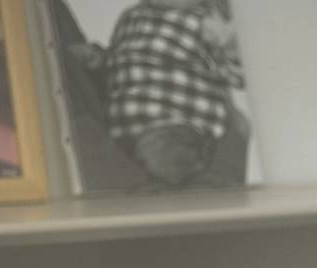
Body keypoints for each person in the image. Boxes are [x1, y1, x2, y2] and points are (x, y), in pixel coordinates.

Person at [103, 0, 249, 186]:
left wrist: (228, 46)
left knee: (164, 166)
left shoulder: (206, 22)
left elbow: (238, 77)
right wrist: (97, 58)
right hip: (122, 132)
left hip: (177, 128)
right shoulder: (130, 17)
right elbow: (120, 60)